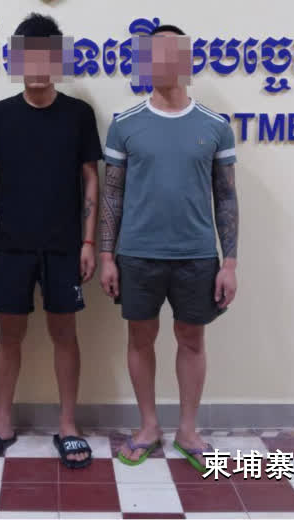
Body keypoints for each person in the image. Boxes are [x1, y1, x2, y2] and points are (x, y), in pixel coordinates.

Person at [99, 24, 240, 471]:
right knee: (140, 339)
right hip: (137, 253)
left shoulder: (215, 126)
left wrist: (229, 263)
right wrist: (106, 257)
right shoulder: (125, 125)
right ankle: (148, 427)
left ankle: (188, 430)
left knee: (192, 339)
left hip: (196, 255)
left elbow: (226, 197)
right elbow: (112, 195)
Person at [0, 13, 101, 469]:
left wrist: (88, 243)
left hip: (65, 245)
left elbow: (90, 178)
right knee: (10, 335)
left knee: (65, 334)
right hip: (12, 245)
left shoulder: (79, 114)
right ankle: (2, 422)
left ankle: (68, 425)